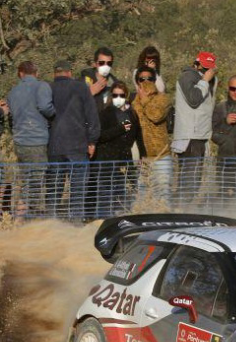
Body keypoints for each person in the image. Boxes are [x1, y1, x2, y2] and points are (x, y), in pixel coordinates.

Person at [47, 60, 100, 221]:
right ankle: (75, 225)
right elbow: (92, 116)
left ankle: (51, 224)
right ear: (70, 72)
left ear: (54, 73)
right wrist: (92, 141)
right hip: (77, 146)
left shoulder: (48, 89)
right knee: (77, 190)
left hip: (54, 146)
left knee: (54, 190)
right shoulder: (81, 87)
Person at [6, 61, 55, 217]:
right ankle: (22, 217)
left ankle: (24, 214)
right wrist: (53, 113)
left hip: (19, 142)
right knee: (35, 181)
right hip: (36, 141)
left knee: (26, 178)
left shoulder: (12, 92)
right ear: (37, 73)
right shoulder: (42, 86)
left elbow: (11, 116)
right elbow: (46, 108)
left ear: (20, 73)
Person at [93, 82, 144, 218]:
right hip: (107, 161)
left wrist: (142, 155)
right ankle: (103, 221)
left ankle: (121, 220)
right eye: (115, 95)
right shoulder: (104, 114)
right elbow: (100, 136)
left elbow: (139, 135)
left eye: (121, 95)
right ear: (111, 96)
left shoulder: (132, 114)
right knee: (105, 197)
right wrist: (120, 129)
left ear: (126, 96)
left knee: (122, 197)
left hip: (124, 161)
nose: (118, 98)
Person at [172, 51, 218, 200]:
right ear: (196, 64)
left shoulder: (206, 80)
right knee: (189, 181)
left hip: (200, 135)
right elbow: (194, 99)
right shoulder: (187, 77)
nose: (207, 71)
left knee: (194, 180)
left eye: (210, 68)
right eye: (204, 67)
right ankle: (181, 208)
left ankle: (183, 206)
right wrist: (205, 81)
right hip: (190, 136)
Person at [132, 65, 172, 206]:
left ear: (155, 80)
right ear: (137, 82)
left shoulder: (163, 98)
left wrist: (145, 100)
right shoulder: (133, 102)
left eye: (149, 78)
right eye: (142, 79)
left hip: (161, 156)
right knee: (141, 196)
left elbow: (156, 115)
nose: (146, 82)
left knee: (163, 196)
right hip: (142, 158)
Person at [80, 47, 118, 111]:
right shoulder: (83, 81)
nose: (106, 66)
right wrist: (90, 93)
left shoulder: (115, 83)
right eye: (101, 63)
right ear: (95, 64)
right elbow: (73, 105)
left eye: (109, 63)